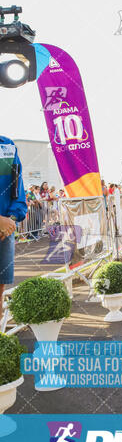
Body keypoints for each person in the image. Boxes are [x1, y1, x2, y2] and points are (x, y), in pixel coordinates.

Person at [0, 136, 27, 321]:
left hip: (5, 231)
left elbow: (18, 191)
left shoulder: (7, 146)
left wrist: (9, 220)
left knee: (0, 285)